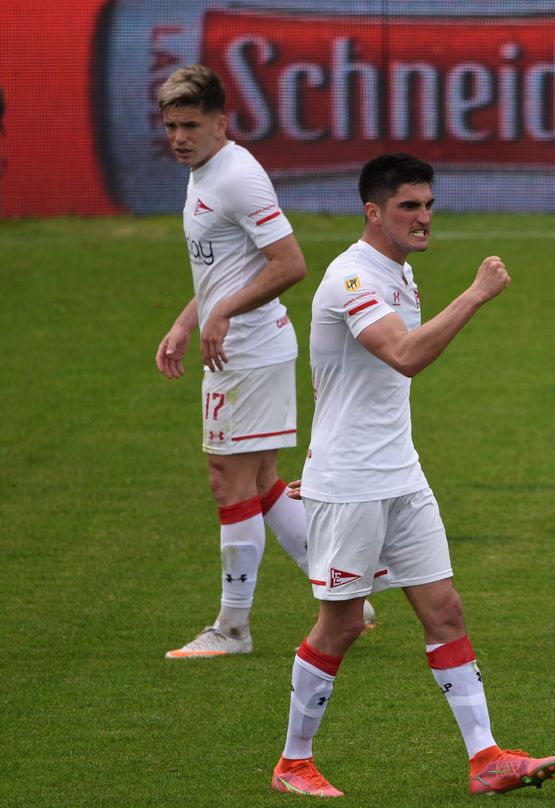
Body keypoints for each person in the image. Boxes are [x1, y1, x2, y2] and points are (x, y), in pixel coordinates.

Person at [269, 153, 555, 798]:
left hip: (401, 476)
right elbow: (404, 357)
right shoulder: (352, 278)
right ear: (373, 211)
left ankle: (485, 758)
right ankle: (293, 762)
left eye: (428, 204)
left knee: (445, 612)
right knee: (340, 626)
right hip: (352, 485)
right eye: (409, 206)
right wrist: (477, 294)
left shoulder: (397, 271)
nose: (424, 217)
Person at [153, 64, 374, 659]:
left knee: (229, 482)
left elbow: (289, 264)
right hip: (245, 347)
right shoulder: (205, 170)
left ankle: (232, 628)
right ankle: (350, 595)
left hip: (246, 353)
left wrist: (221, 314)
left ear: (222, 123)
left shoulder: (236, 178)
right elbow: (226, 269)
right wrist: (187, 320)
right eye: (171, 125)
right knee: (262, 479)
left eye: (191, 125)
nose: (178, 137)